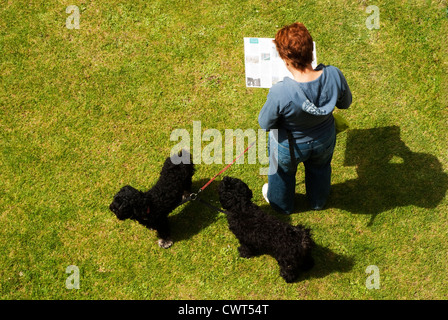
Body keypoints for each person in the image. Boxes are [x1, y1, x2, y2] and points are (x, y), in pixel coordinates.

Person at [258, 22, 352, 214]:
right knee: (320, 170)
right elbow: (345, 103)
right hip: (324, 139)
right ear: (311, 50)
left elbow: (265, 123)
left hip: (289, 146)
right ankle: (318, 202)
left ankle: (282, 206)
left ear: (285, 59)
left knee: (281, 174)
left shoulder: (280, 91)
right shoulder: (334, 74)